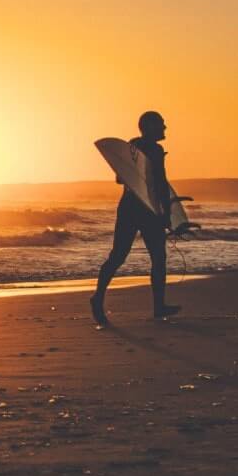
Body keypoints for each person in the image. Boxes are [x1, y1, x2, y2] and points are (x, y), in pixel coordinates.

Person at [90, 110, 181, 325]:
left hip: (133, 207)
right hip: (142, 209)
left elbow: (123, 180)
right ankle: (101, 299)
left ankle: (100, 298)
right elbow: (157, 183)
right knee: (147, 257)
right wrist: (166, 214)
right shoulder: (151, 150)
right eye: (161, 124)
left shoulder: (135, 146)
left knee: (128, 256)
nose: (164, 128)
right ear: (149, 127)